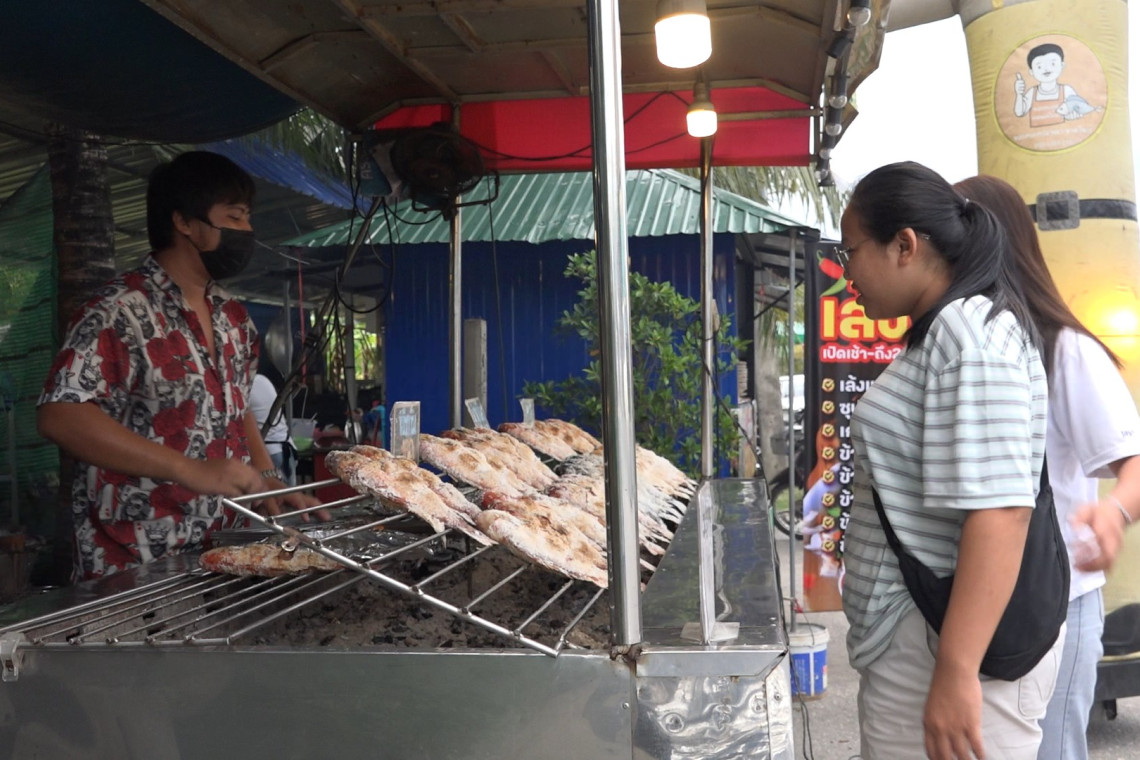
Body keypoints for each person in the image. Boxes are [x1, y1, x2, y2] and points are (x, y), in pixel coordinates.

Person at [838, 161, 1062, 760]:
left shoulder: (971, 337)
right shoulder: (950, 329)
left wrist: (957, 672)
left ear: (904, 245)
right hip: (923, 640)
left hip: (942, 646)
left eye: (850, 250)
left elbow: (1001, 512)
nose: (846, 272)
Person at [37, 150, 320, 582]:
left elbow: (235, 408)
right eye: (234, 216)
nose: (247, 231)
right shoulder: (117, 311)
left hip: (223, 548)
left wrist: (266, 478)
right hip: (132, 559)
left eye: (247, 218)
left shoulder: (234, 318)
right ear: (184, 222)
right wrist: (188, 469)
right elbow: (61, 414)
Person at [955, 174, 1140, 760]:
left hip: (1058, 604)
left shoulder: (1065, 349)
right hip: (975, 607)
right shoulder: (960, 348)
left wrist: (1112, 513)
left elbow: (1135, 467)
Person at [249, 372, 297, 486]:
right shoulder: (262, 379)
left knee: (274, 495)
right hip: (285, 448)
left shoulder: (246, 386)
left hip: (270, 452)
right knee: (288, 494)